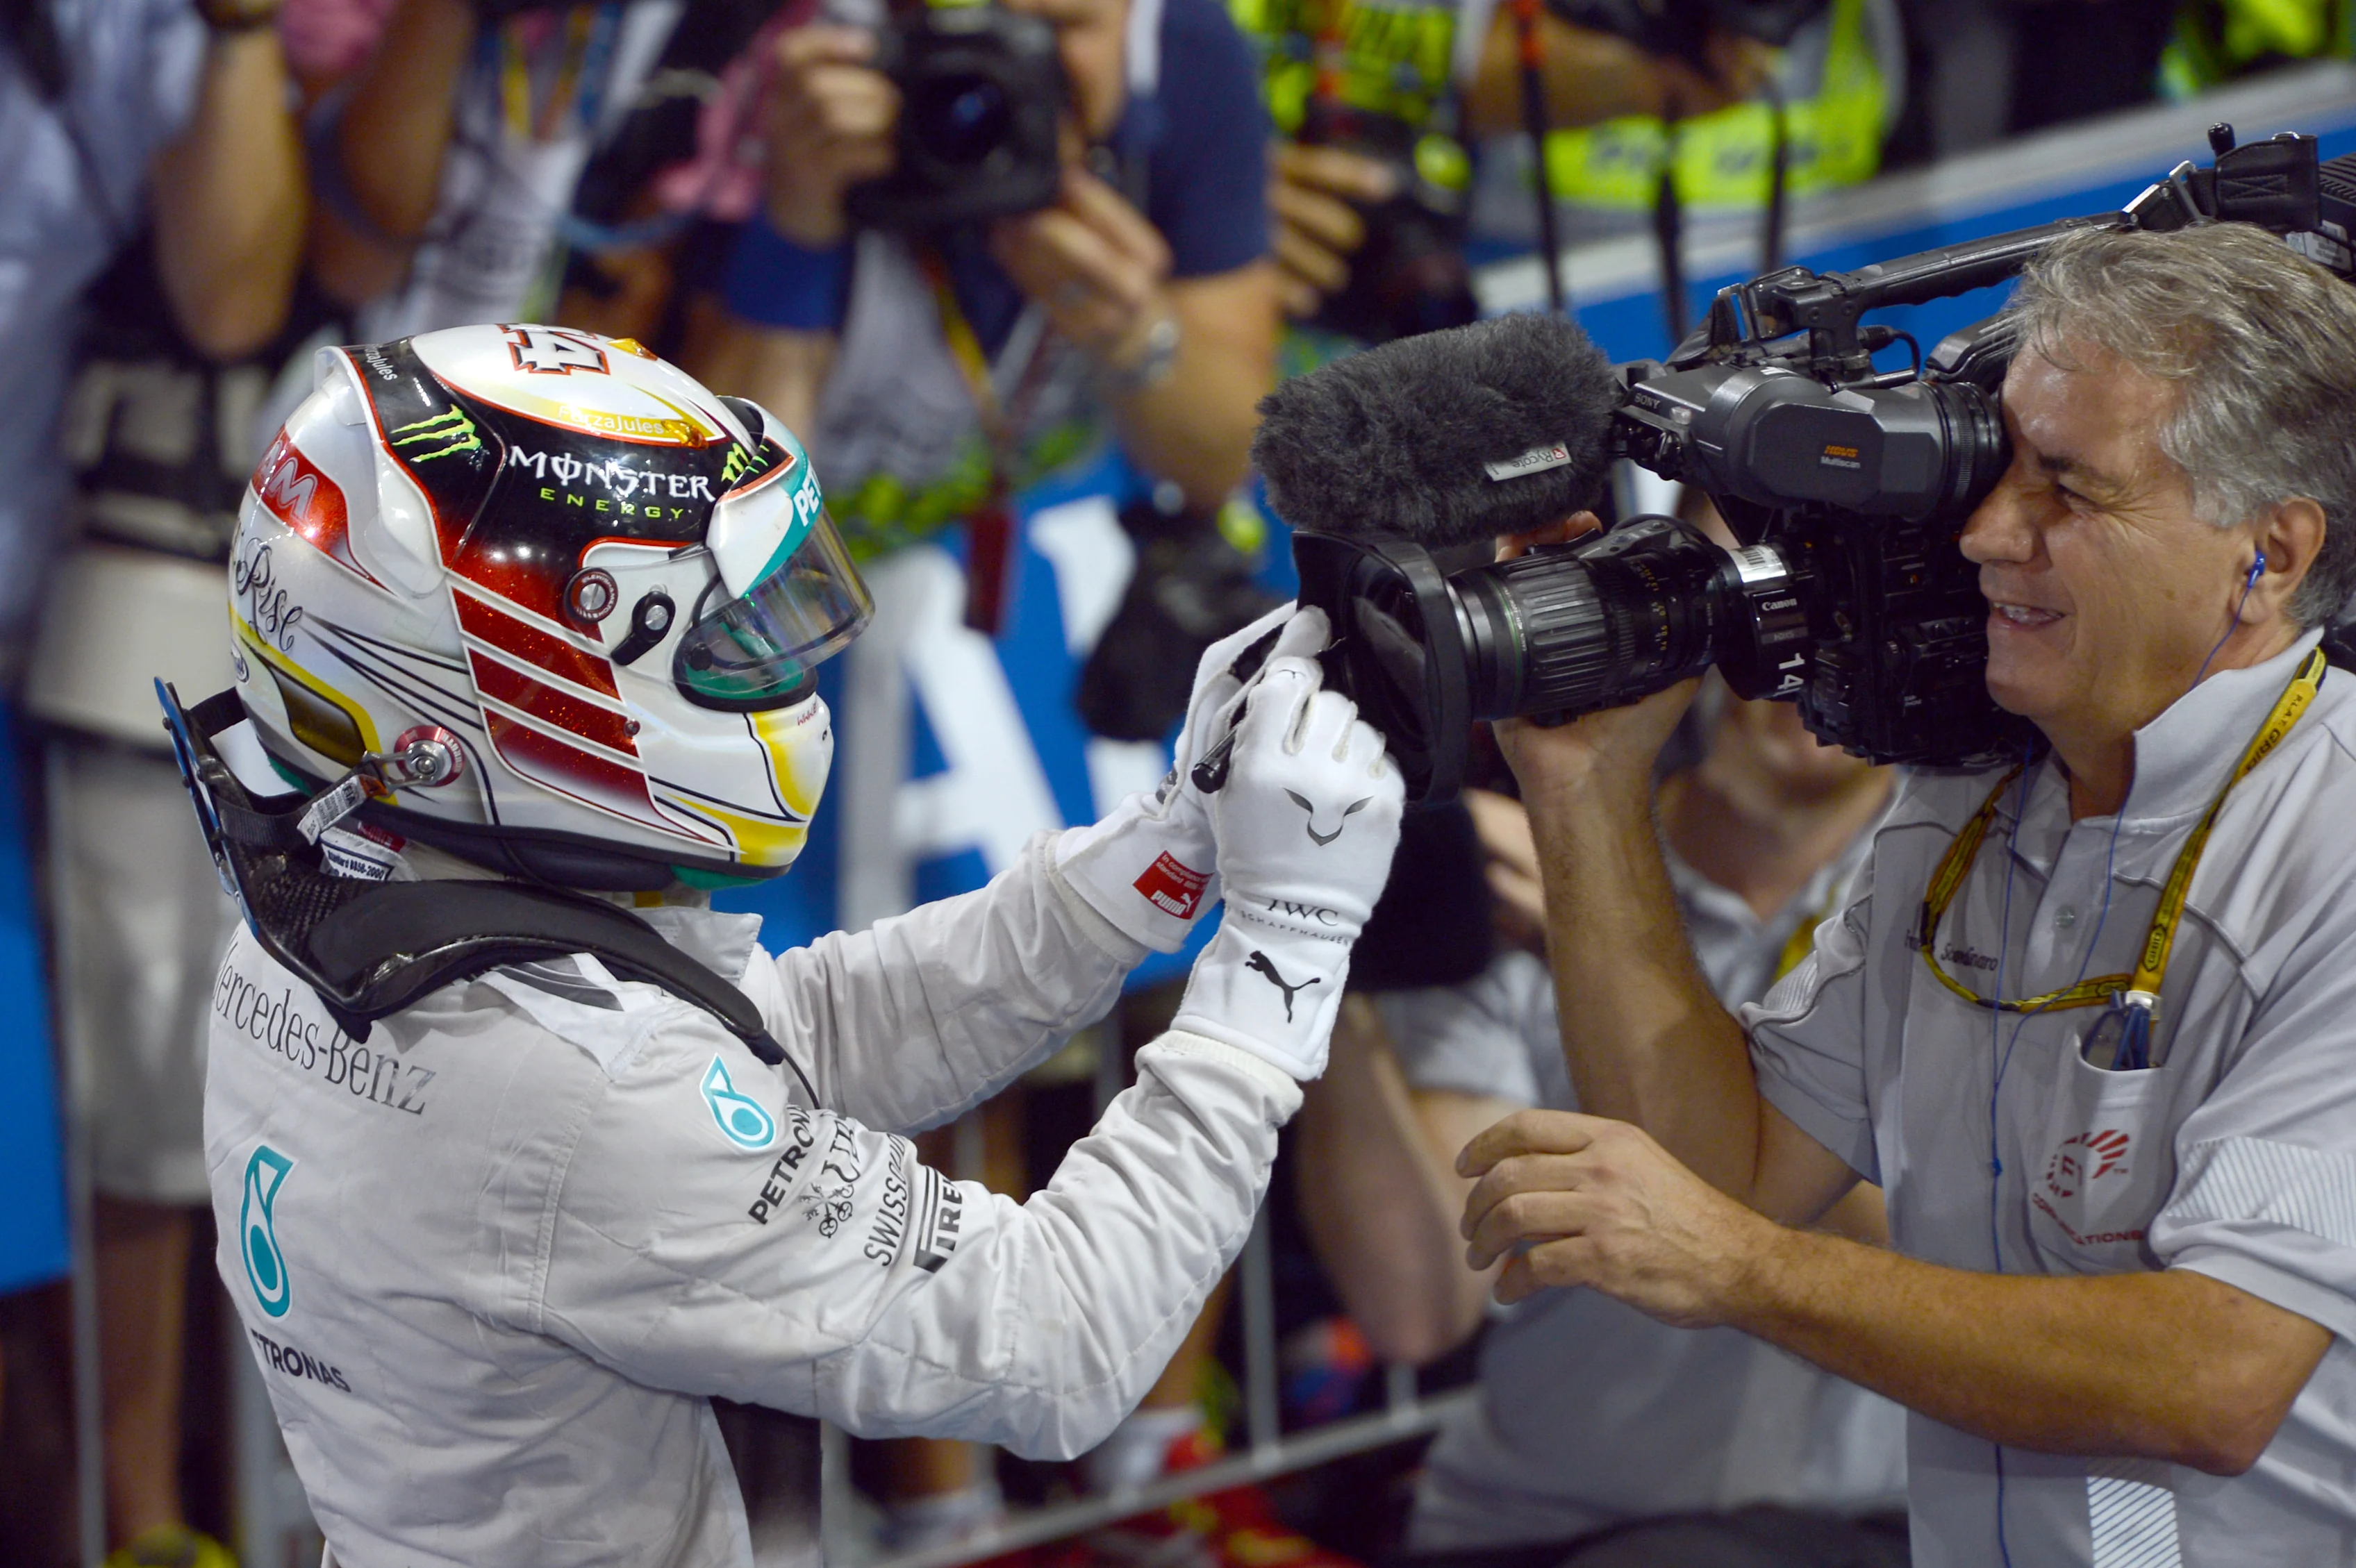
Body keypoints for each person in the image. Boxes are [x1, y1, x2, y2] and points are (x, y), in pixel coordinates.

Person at [189, 321, 1402, 1565]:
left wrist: (1171, 841)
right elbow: (1058, 1334)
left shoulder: (328, 912)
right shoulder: (565, 1095)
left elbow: (775, 1042)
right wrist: (1284, 946)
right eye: (721, 641)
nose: (776, 662)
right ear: (521, 683)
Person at [1458, 222, 2356, 1566]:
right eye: (1997, 475)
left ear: (2269, 556)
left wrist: (1741, 1267)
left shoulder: (2333, 843)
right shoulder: (1963, 804)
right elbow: (1722, 1179)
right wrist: (1587, 787)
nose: (1990, 534)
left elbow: (2215, 1374)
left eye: (2069, 491)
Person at [1297, 683, 1909, 1564]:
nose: (1797, 659)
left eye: (1832, 596)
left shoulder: (1961, 896)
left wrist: (1600, 948)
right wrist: (1318, 965)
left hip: (1879, 1516)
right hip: (1539, 1519)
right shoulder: (1510, 877)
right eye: (1760, 605)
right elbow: (1415, 1310)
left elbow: (1950, 1254)